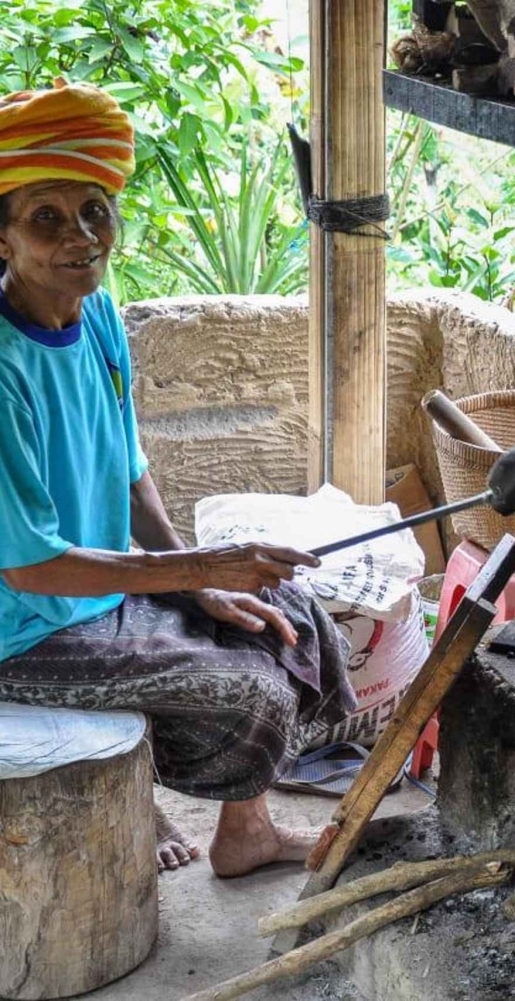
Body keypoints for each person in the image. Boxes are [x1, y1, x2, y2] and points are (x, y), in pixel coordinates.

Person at [0, 81, 355, 877]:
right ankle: (150, 795)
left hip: (95, 591)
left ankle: (245, 833)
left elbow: (128, 470)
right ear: (3, 241)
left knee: (286, 612)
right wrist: (193, 571)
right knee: (247, 689)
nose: (81, 237)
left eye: (95, 211)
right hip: (21, 628)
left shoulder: (96, 312)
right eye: (46, 218)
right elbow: (29, 566)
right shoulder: (3, 368)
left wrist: (199, 582)